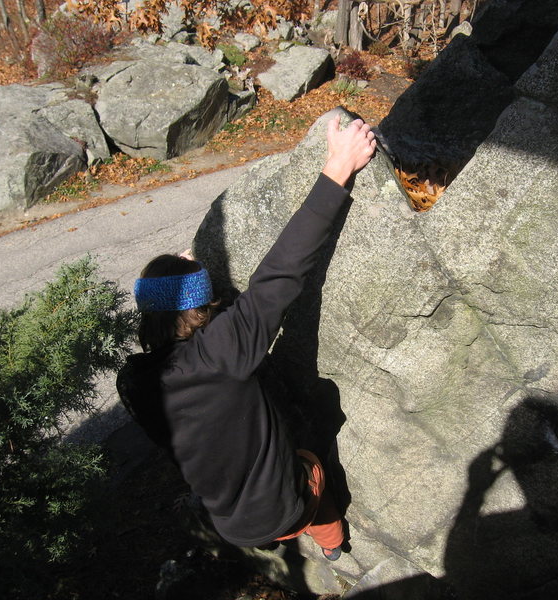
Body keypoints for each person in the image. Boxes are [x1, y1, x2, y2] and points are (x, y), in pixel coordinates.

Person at [116, 116, 377, 560]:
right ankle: (334, 545)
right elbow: (282, 271)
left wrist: (181, 279)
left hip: (230, 522)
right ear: (201, 308)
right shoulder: (222, 350)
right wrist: (338, 168)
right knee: (311, 462)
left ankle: (297, 539)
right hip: (286, 508)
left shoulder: (134, 382)